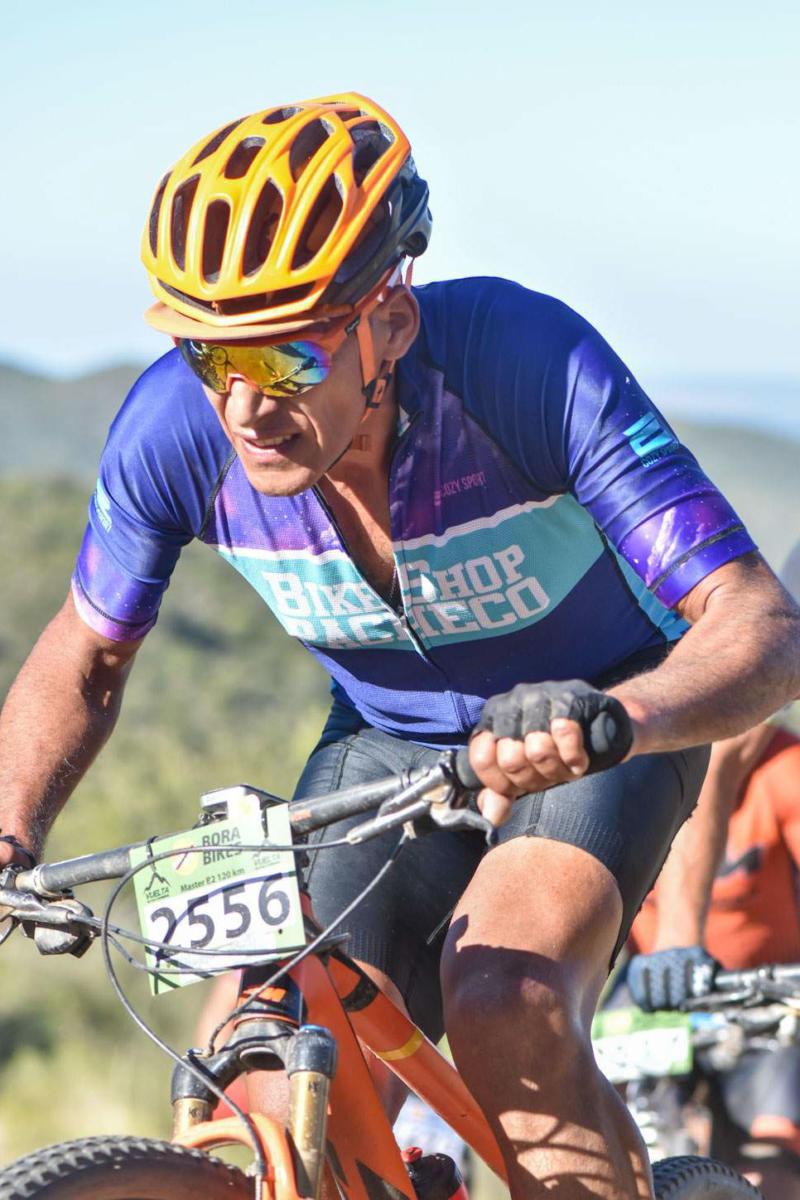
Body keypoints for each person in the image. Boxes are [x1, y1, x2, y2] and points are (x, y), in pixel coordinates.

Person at [0, 93, 798, 1200]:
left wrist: (621, 719)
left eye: (285, 357)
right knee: (267, 1050)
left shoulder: (522, 363)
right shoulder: (172, 433)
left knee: (506, 998)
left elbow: (758, 625)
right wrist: (9, 833)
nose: (243, 407)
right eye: (209, 355)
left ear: (391, 321)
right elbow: (86, 655)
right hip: (385, 738)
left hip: (598, 721)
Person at [627, 545, 800, 1198]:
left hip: (767, 1000)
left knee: (768, 1164)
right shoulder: (636, 770)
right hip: (651, 993)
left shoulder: (783, 771)